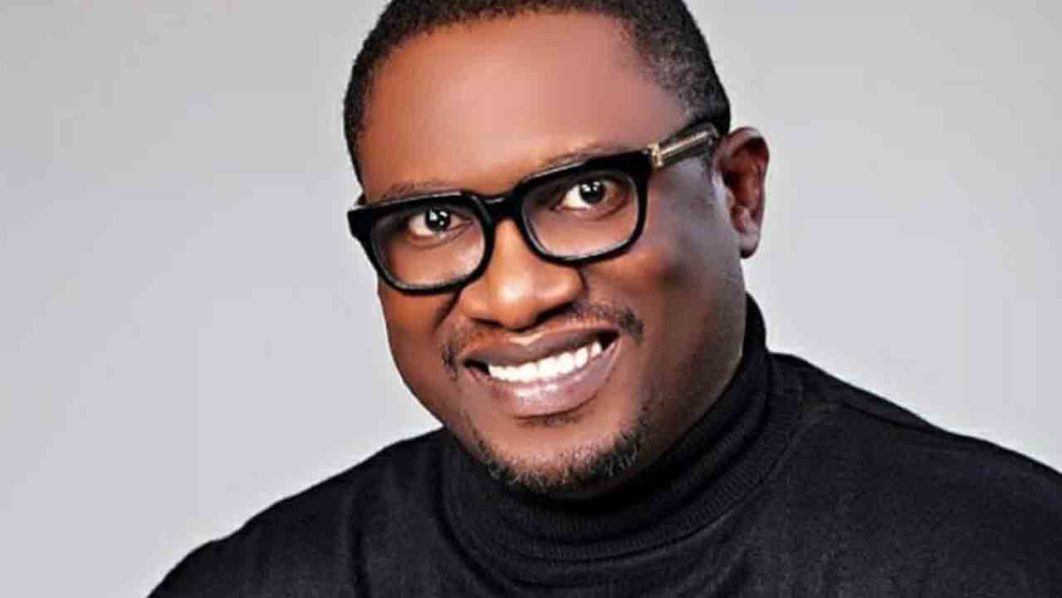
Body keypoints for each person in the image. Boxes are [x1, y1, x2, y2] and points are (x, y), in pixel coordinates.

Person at [151, 0, 1062, 595]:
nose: (515, 294)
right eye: (434, 220)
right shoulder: (259, 586)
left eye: (588, 193)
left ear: (738, 192)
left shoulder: (1003, 561)